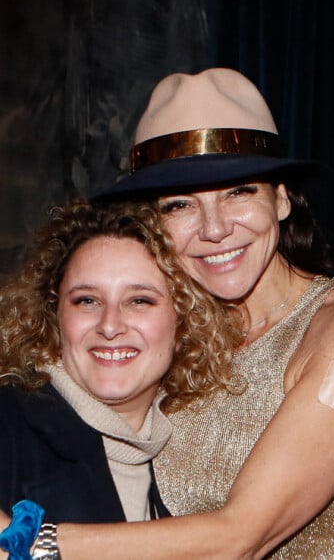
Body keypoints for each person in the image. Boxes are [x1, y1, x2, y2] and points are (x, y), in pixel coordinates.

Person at [0, 68, 334, 559]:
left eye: (239, 192)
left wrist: (25, 543)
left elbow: (240, 538)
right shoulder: (169, 333)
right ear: (154, 223)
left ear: (283, 198)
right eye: (181, 204)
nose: (214, 229)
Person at [0, 201, 238, 533]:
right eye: (87, 300)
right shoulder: (10, 428)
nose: (110, 325)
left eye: (140, 300)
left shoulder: (200, 448)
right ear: (53, 316)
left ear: (185, 322)